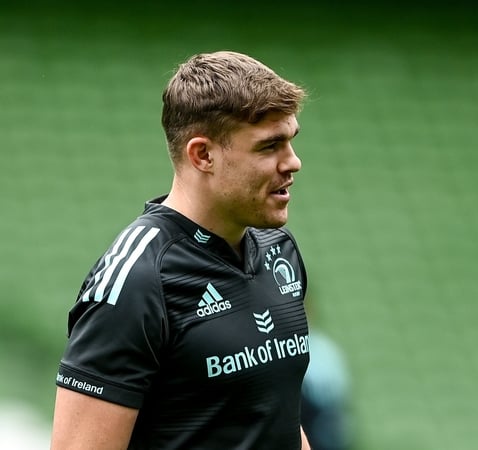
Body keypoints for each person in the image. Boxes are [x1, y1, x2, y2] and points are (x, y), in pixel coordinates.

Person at [51, 51, 313, 449]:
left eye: (290, 140)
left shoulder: (279, 251)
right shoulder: (137, 282)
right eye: (269, 146)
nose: (293, 162)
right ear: (203, 155)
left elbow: (274, 416)